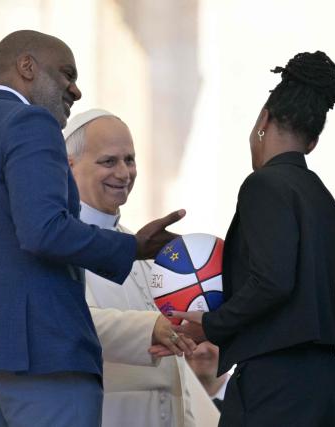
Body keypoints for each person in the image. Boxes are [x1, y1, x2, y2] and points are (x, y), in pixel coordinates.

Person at [0, 30, 184, 427]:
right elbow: (43, 230)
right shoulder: (30, 121)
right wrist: (131, 247)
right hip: (37, 353)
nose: (76, 91)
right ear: (26, 67)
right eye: (66, 74)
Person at [153, 51, 335, 426]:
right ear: (312, 143)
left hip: (277, 388)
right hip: (324, 385)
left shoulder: (264, 185)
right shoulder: (322, 197)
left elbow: (272, 281)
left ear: (264, 120)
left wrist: (209, 324)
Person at [63, 108, 219, 427]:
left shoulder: (139, 245)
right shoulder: (58, 245)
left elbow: (175, 371)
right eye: (109, 161)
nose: (124, 173)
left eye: (129, 160)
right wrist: (151, 327)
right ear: (69, 166)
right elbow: (64, 320)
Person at [185, 342, 230, 412]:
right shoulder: (168, 402)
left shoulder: (248, 398)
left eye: (211, 340)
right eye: (192, 339)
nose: (200, 350)